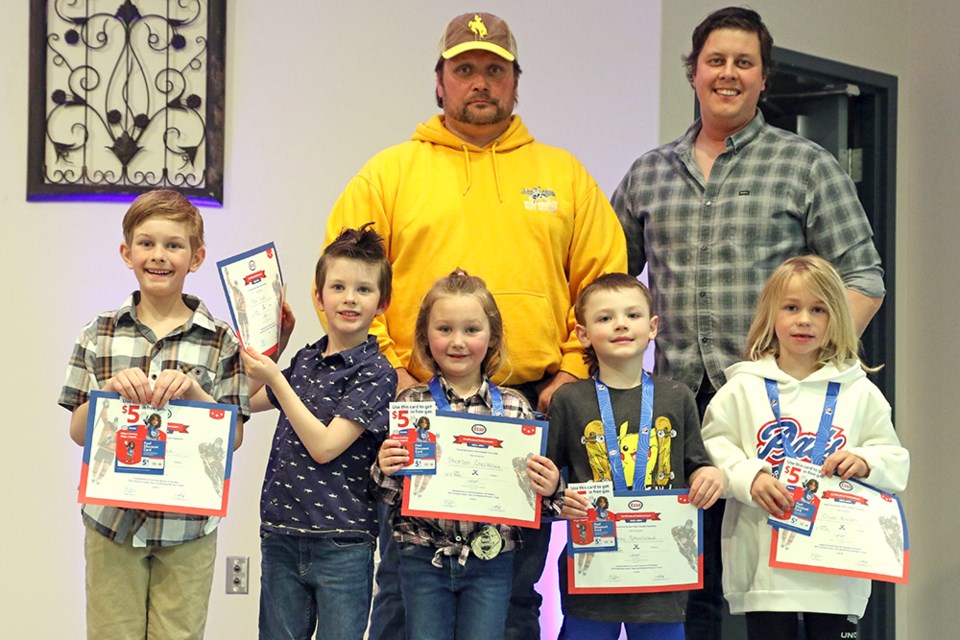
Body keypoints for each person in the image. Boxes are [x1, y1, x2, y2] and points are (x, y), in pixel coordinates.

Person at [322, 11, 627, 638]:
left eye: (495, 69)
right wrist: (392, 374)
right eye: (465, 70)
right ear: (440, 81)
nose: (480, 82)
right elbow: (349, 280)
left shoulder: (563, 176)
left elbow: (604, 281)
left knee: (516, 590)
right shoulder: (390, 174)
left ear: (516, 82)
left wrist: (570, 372)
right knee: (405, 593)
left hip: (526, 409)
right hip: (418, 405)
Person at [610, 8, 885, 638]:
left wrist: (820, 369)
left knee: (780, 588)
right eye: (716, 61)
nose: (728, 74)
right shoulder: (649, 173)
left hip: (776, 416)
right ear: (694, 72)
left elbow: (863, 277)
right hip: (674, 408)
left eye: (744, 63)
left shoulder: (807, 165)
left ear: (764, 79)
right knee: (687, 580)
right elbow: (613, 284)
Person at [58, 188, 249, 640]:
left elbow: (233, 438)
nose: (159, 256)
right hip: (112, 525)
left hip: (189, 528)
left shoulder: (221, 340)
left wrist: (200, 396)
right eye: (146, 243)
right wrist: (106, 394)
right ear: (127, 253)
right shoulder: (98, 332)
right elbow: (77, 431)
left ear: (196, 257)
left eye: (174, 245)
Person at [700, 255, 909, 640]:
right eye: (791, 308)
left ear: (838, 319)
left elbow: (895, 462)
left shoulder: (859, 392)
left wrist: (864, 461)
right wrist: (749, 477)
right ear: (770, 314)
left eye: (819, 309)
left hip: (837, 570)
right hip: (764, 568)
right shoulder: (742, 389)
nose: (804, 320)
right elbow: (713, 452)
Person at [373, 269, 561, 640]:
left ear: (492, 337)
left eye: (471, 330)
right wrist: (384, 468)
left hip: (491, 561)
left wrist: (552, 486)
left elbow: (535, 504)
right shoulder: (411, 405)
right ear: (426, 336)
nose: (457, 341)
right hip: (422, 558)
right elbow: (389, 495)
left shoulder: (514, 409)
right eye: (444, 329)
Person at [240, 224, 398, 640]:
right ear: (318, 296)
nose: (349, 298)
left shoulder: (376, 372)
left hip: (343, 541)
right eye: (338, 286)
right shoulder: (306, 359)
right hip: (281, 533)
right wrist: (278, 345)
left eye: (363, 290)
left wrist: (276, 378)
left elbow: (326, 446)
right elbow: (245, 401)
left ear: (382, 302)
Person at [547, 273, 723, 639]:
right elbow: (547, 481)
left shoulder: (677, 396)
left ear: (653, 326)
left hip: (662, 573)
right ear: (583, 334)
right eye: (605, 318)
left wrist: (711, 477)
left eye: (632, 315)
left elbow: (697, 466)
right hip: (592, 570)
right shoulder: (569, 400)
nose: (620, 325)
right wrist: (555, 499)